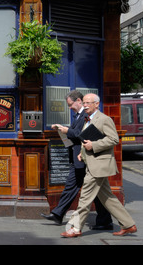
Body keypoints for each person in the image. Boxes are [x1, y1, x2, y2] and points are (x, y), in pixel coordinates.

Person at [61, 93, 137, 238]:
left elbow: (114, 139)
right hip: (92, 163)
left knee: (84, 197)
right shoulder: (87, 119)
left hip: (99, 166)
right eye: (84, 103)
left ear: (97, 104)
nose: (85, 105)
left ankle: (75, 228)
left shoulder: (104, 119)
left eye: (89, 103)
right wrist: (82, 153)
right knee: (108, 198)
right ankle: (128, 225)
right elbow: (86, 140)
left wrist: (93, 145)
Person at [41, 90, 112, 229]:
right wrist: (62, 130)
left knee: (96, 192)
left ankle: (105, 221)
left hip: (85, 159)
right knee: (71, 186)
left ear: (78, 101)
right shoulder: (79, 116)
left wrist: (67, 130)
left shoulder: (87, 116)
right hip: (78, 158)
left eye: (70, 104)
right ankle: (58, 214)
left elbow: (82, 135)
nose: (69, 108)